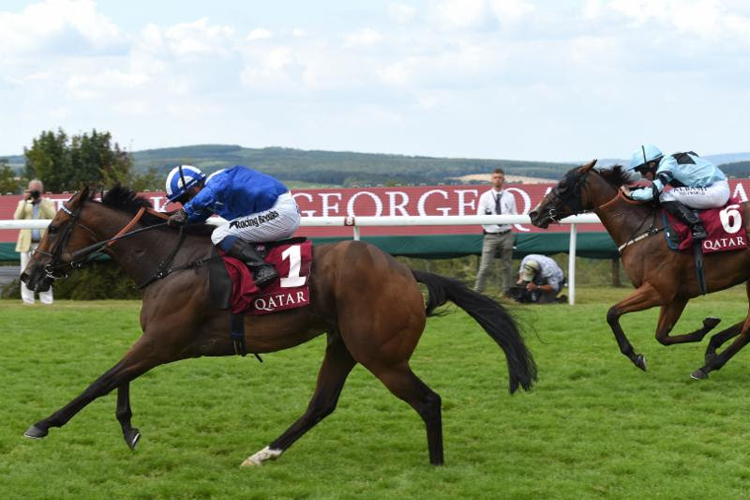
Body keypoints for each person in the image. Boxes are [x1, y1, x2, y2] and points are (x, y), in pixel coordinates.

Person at [166, 165, 301, 288]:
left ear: (194, 189)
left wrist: (184, 211)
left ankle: (262, 268)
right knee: (229, 232)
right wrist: (170, 222)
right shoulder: (211, 198)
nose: (184, 204)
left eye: (183, 199)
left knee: (220, 234)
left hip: (280, 212)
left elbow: (209, 193)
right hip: (279, 213)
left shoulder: (218, 180)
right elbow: (195, 218)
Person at [622, 144, 729, 240]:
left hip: (715, 191)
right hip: (715, 188)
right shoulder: (670, 159)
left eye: (643, 171)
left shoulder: (667, 164)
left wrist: (630, 193)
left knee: (665, 197)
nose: (642, 176)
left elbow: (652, 193)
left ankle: (697, 227)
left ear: (652, 164)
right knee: (669, 194)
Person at [474, 168, 517, 294]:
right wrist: (492, 222)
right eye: (495, 177)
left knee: (507, 266)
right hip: (490, 235)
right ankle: (477, 292)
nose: (497, 180)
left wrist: (506, 221)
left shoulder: (510, 196)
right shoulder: (485, 197)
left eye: (500, 177)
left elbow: (514, 214)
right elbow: (480, 216)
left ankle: (506, 292)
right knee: (484, 266)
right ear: (491, 179)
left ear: (503, 179)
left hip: (506, 233)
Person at [14, 179, 56, 305]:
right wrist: (26, 201)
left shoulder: (48, 202)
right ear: (28, 190)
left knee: (45, 272)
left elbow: (53, 216)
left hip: (43, 244)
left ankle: (47, 301)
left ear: (41, 191)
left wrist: (40, 202)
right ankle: (27, 301)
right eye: (33, 190)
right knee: (25, 272)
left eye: (37, 190)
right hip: (27, 244)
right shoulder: (23, 203)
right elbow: (16, 218)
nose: (35, 193)